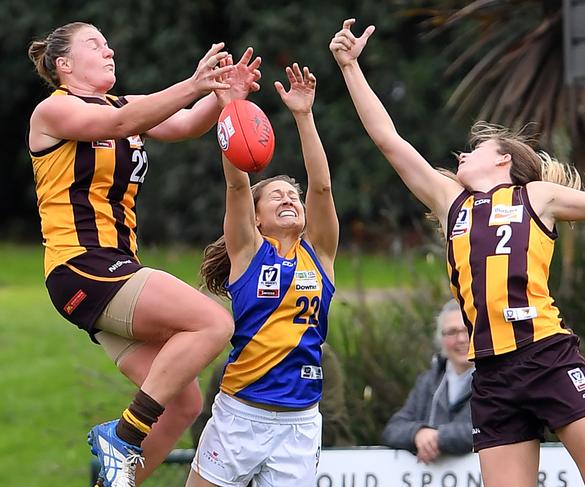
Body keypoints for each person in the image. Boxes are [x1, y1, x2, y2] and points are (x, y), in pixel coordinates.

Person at [330, 18, 585, 487]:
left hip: (547, 355)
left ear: (503, 159)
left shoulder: (538, 197)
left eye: (473, 150)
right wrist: (350, 67)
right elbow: (389, 141)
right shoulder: (452, 202)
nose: (460, 157)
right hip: (491, 373)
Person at [27, 22, 261, 487]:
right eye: (95, 44)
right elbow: (119, 125)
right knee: (214, 322)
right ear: (64, 65)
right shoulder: (52, 112)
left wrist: (222, 94)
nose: (109, 49)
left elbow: (188, 123)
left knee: (183, 404)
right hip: (83, 266)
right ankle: (123, 436)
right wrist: (194, 83)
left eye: (108, 42)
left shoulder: (125, 105)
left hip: (109, 272)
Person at [186, 61, 338, 487]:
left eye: (293, 195)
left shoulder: (320, 253)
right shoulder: (249, 251)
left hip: (300, 422)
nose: (290, 198)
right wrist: (231, 109)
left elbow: (321, 187)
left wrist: (304, 116)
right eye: (276, 196)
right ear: (255, 218)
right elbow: (237, 186)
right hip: (241, 413)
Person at [190, 342, 354, 449]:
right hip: (238, 465)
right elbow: (205, 424)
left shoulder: (321, 359)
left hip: (323, 459)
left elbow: (330, 423)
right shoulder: (229, 367)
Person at [382, 299, 473, 462]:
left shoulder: (496, 382)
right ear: (441, 339)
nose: (461, 339)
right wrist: (418, 433)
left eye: (467, 330)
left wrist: (438, 438)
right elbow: (393, 429)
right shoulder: (428, 381)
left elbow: (490, 430)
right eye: (452, 332)